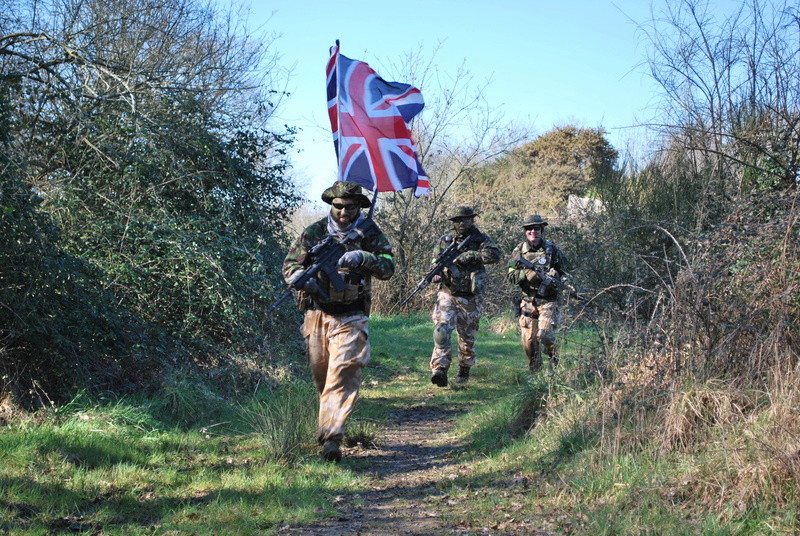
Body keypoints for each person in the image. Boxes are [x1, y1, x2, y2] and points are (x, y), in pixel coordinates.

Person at [282, 180, 395, 462]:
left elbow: (388, 267)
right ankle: (329, 423)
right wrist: (297, 277)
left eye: (351, 207)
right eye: (339, 206)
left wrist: (365, 257)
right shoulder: (315, 232)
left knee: (343, 371)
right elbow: (290, 263)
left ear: (359, 207)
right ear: (331, 205)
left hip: (352, 314)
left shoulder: (369, 232)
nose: (344, 212)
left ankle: (332, 438)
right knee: (323, 378)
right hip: (317, 314)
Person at [429, 206, 501, 387]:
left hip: (470, 296)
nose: (461, 223)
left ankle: (464, 369)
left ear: (472, 219)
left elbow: (494, 255)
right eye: (458, 220)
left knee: (467, 337)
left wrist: (471, 255)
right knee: (441, 331)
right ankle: (440, 369)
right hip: (447, 292)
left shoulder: (481, 239)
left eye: (465, 219)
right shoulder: (445, 240)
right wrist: (435, 273)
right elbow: (434, 260)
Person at [506, 214, 569, 373]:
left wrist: (559, 277)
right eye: (529, 229)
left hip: (548, 300)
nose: (533, 231)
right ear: (525, 231)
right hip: (527, 300)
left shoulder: (551, 249)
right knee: (529, 341)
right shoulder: (519, 251)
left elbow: (566, 270)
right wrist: (527, 274)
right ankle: (535, 374)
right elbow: (510, 276)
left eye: (536, 228)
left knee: (545, 335)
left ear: (542, 230)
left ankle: (554, 359)